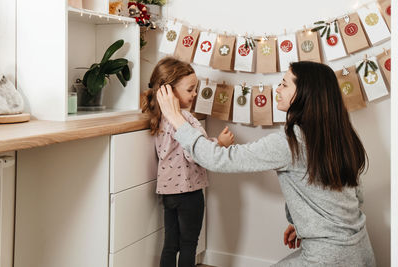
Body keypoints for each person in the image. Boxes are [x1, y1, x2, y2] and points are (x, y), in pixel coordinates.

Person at [156, 61, 376, 266]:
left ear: (304, 93)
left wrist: (176, 118)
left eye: (284, 84)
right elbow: (357, 197)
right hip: (361, 251)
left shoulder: (290, 142)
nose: (277, 89)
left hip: (329, 256)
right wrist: (305, 224)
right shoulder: (340, 134)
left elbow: (218, 159)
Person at [141, 57, 234, 267]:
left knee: (170, 244)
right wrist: (219, 142)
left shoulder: (159, 118)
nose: (194, 94)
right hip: (189, 191)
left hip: (168, 192)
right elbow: (196, 152)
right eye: (190, 90)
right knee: (189, 243)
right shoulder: (185, 120)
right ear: (169, 92)